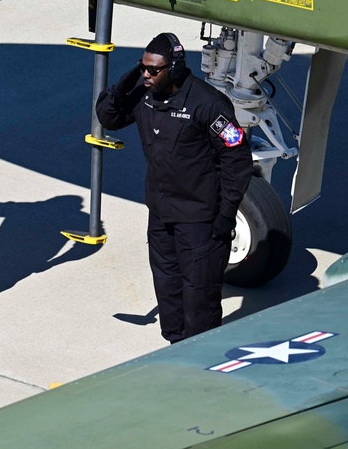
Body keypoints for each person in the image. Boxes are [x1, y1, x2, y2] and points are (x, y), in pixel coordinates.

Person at [95, 32, 252, 343]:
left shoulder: (208, 104)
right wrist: (127, 81)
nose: (147, 75)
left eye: (154, 69)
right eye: (143, 67)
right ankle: (175, 346)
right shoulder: (144, 95)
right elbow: (109, 118)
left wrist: (226, 214)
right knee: (167, 288)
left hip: (200, 220)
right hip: (161, 213)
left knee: (199, 297)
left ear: (176, 68)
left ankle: (202, 360)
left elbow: (237, 158)